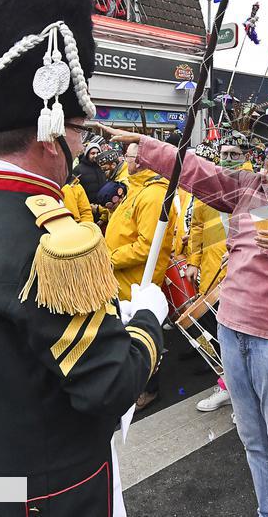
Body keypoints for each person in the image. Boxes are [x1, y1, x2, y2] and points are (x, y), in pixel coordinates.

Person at [0, 0, 166, 515]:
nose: (83, 144)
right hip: (49, 498)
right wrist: (147, 324)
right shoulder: (60, 240)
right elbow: (107, 386)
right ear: (56, 127)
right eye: (81, 129)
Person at [100, 124, 268, 517]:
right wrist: (142, 145)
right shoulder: (249, 189)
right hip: (231, 330)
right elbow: (196, 169)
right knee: (253, 441)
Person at [104, 141, 181, 410]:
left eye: (131, 156)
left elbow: (148, 246)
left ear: (145, 161)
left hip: (137, 279)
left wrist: (109, 259)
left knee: (141, 333)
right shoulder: (136, 187)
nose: (126, 160)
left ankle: (148, 390)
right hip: (122, 279)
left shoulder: (154, 195)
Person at [186, 139, 254, 412]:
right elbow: (198, 226)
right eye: (223, 154)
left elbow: (265, 231)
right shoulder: (210, 183)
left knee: (247, 340)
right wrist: (193, 262)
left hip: (247, 275)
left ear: (246, 155)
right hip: (214, 273)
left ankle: (248, 401)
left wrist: (244, 254)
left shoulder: (257, 184)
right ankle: (228, 388)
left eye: (234, 154)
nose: (227, 158)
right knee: (223, 337)